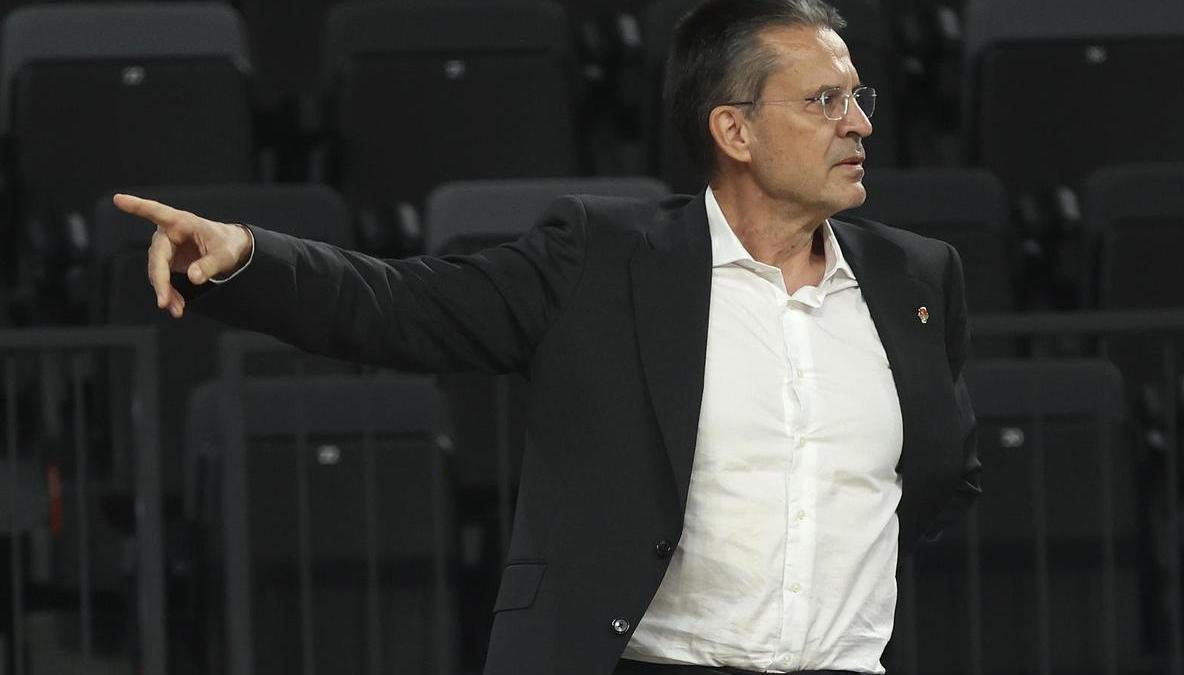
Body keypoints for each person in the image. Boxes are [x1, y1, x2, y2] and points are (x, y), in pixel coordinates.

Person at [115, 0, 979, 673]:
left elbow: (938, 479)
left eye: (858, 96)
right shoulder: (604, 261)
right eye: (825, 100)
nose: (860, 122)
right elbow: (402, 305)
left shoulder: (917, 279)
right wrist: (248, 259)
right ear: (734, 130)